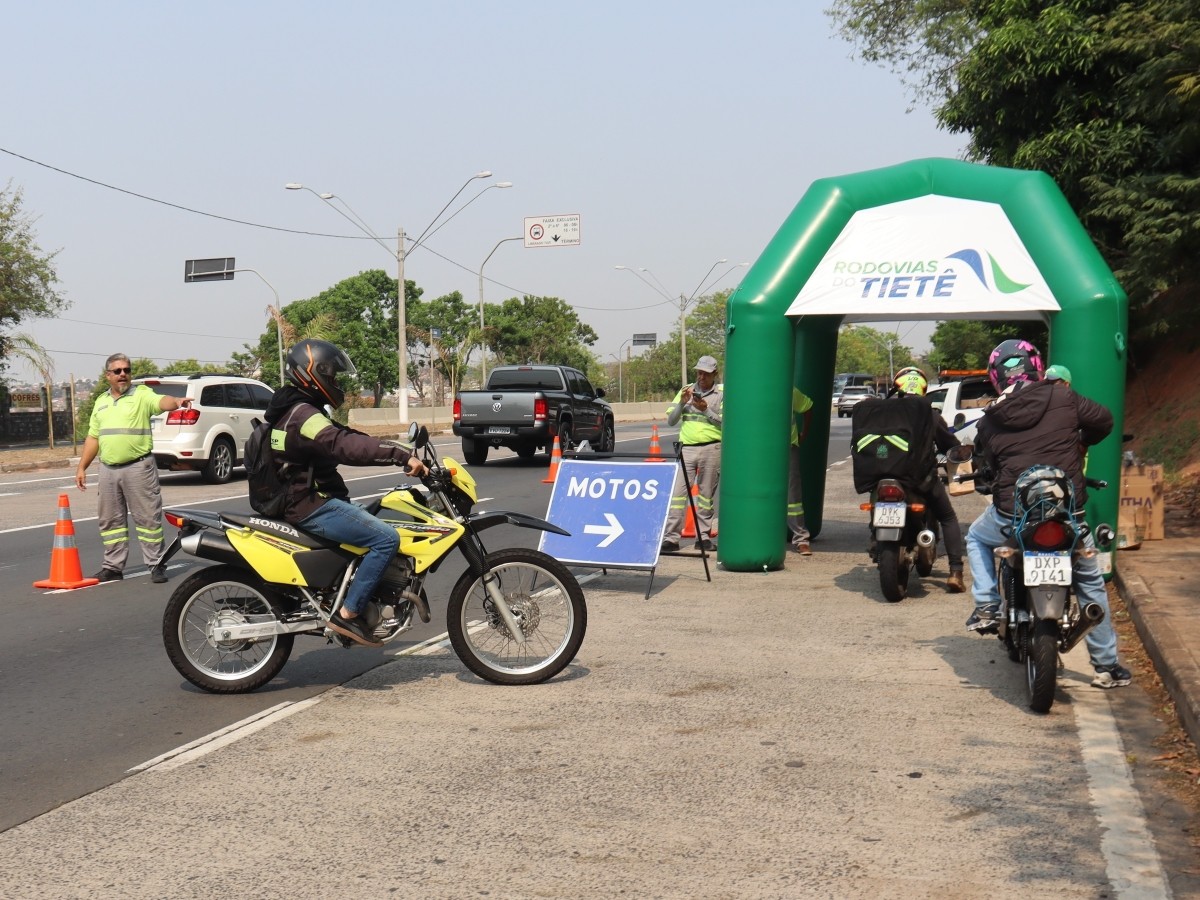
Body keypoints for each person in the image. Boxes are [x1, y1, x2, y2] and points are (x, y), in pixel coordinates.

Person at [965, 339, 1131, 689]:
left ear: (996, 377)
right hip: (1068, 513)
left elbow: (989, 466)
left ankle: (987, 604)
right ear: (1036, 365)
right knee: (1089, 579)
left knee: (976, 537)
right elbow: (1103, 420)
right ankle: (1107, 665)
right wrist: (1080, 442)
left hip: (1015, 515)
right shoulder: (1063, 397)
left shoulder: (991, 418)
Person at [267, 339, 428, 647]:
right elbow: (342, 445)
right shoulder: (303, 414)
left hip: (304, 498)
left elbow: (344, 436)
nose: (336, 382)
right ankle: (349, 614)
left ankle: (350, 594)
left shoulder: (295, 408)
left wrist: (396, 449)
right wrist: (398, 455)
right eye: (332, 375)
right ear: (314, 373)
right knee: (385, 539)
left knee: (373, 513)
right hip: (309, 504)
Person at [76, 353, 192, 584]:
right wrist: (82, 467)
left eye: (126, 370)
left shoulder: (140, 395)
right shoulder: (101, 402)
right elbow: (93, 437)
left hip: (138, 467)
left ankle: (157, 564)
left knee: (148, 519)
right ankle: (113, 567)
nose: (123, 375)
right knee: (110, 522)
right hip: (108, 470)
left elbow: (162, 402)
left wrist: (176, 402)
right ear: (108, 375)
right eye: (117, 371)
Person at [889, 366, 967, 591]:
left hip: (884, 477)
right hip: (920, 480)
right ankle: (955, 572)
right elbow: (950, 446)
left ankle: (875, 538)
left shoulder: (883, 412)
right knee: (948, 517)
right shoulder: (930, 415)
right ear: (923, 389)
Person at [660, 355, 723, 553]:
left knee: (705, 496)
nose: (701, 376)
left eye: (705, 373)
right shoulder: (686, 390)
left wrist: (706, 411)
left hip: (711, 448)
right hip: (686, 449)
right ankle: (671, 538)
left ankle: (702, 537)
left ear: (715, 374)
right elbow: (671, 421)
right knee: (678, 495)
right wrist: (681, 403)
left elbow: (727, 423)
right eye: (699, 372)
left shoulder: (721, 394)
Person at [787, 386, 814, 555]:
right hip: (761, 450)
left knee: (793, 497)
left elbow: (808, 406)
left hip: (788, 447)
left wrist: (804, 432)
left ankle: (800, 539)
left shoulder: (789, 390)